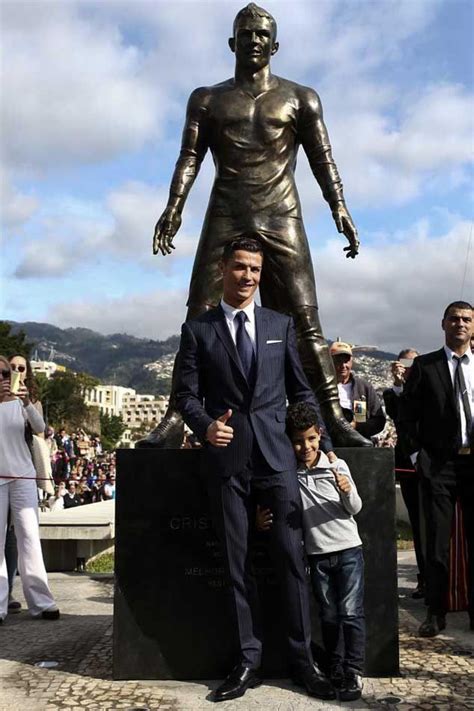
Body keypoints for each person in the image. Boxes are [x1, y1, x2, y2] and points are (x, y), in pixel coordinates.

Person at [140, 2, 371, 450]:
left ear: (276, 45)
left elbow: (323, 158)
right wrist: (174, 206)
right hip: (226, 210)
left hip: (281, 212)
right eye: (245, 34)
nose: (254, 41)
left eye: (262, 34)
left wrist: (338, 206)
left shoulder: (301, 98)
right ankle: (175, 415)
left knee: (304, 317)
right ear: (232, 43)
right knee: (198, 314)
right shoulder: (207, 98)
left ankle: (332, 417)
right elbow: (190, 156)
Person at [175, 237, 335, 702]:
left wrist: (316, 441)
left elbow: (301, 391)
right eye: (241, 267)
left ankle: (304, 661)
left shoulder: (279, 324)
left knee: (291, 558)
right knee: (237, 564)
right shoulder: (198, 331)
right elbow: (185, 395)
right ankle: (248, 660)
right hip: (227, 461)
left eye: (256, 271)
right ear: (222, 269)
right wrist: (205, 427)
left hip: (278, 459)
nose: (248, 277)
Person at [258, 402, 365, 701]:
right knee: (329, 615)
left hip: (348, 551)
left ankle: (354, 670)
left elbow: (355, 508)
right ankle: (336, 667)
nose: (305, 447)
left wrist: (346, 490)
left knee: (351, 612)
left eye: (310, 439)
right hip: (317, 555)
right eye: (297, 440)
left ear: (319, 435)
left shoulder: (336, 466)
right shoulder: (291, 473)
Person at [400, 301, 474, 637]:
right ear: (443, 324)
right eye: (454, 319)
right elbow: (406, 417)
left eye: (467, 319)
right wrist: (418, 457)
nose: (460, 324)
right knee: (436, 543)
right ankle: (435, 611)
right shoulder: (425, 366)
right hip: (439, 465)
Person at [0, 355, 59, 622]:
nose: (7, 377)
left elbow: (40, 429)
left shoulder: (24, 402)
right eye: (3, 373)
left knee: (29, 538)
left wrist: (24, 402)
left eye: (9, 372)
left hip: (23, 475)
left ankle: (42, 602)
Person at [383, 349, 425, 599]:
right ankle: (424, 580)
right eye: (405, 363)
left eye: (413, 363)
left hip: (434, 463)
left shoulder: (428, 388)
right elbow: (397, 416)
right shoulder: (392, 394)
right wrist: (399, 387)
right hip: (408, 466)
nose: (409, 368)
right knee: (419, 524)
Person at [330, 341, 386, 439]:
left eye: (346, 360)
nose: (343, 365)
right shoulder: (323, 387)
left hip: (360, 444)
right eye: (338, 360)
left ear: (351, 362)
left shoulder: (364, 388)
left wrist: (356, 426)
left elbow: (379, 421)